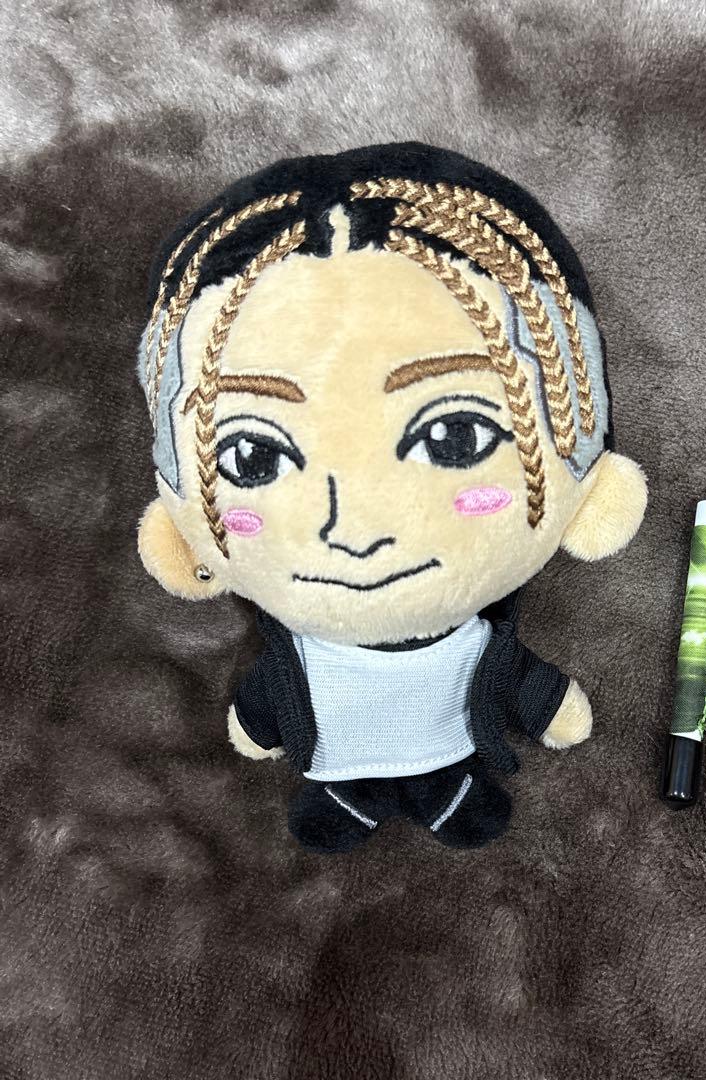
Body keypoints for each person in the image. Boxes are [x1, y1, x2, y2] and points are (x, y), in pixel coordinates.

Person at [134, 144, 647, 852]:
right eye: (252, 456)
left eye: (455, 436)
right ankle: (353, 798)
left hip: (453, 759)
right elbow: (267, 698)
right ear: (177, 535)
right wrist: (257, 723)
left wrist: (548, 704)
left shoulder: (473, 641)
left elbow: (521, 681)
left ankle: (446, 794)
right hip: (333, 764)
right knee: (341, 805)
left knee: (456, 799)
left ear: (595, 497)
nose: (355, 530)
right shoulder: (298, 653)